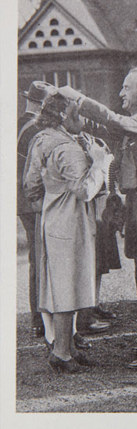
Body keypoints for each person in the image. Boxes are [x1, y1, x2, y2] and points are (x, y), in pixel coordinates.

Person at [59, 67, 137, 368]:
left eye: (126, 88)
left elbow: (113, 121)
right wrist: (80, 126)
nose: (120, 93)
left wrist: (80, 99)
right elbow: (110, 132)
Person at [24, 91, 112, 373]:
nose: (84, 119)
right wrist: (100, 161)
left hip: (51, 220)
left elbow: (30, 186)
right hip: (72, 220)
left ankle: (68, 346)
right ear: (64, 114)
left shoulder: (42, 138)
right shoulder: (67, 148)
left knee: (60, 282)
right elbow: (85, 190)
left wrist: (50, 204)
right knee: (68, 285)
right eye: (79, 113)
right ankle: (61, 352)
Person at [18, 81, 52, 338]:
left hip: (24, 200)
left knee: (36, 258)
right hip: (33, 201)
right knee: (40, 258)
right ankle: (40, 319)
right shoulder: (33, 129)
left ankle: (38, 318)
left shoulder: (19, 124)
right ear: (42, 105)